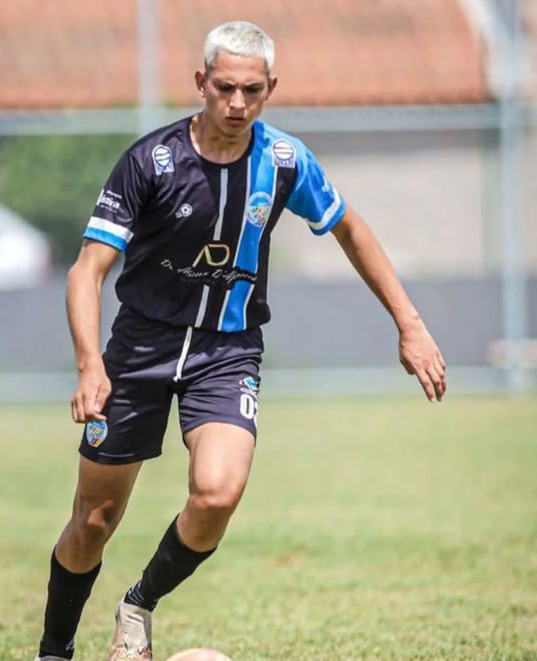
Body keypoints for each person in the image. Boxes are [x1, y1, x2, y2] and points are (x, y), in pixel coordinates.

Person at [34, 19, 446, 661]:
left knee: (219, 492)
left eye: (252, 90)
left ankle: (138, 605)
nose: (237, 103)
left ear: (270, 88)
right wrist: (91, 365)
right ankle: (54, 649)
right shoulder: (152, 161)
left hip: (226, 352)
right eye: (224, 87)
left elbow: (349, 229)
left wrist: (410, 324)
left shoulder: (284, 161)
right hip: (139, 349)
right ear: (201, 82)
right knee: (93, 520)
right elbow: (87, 271)